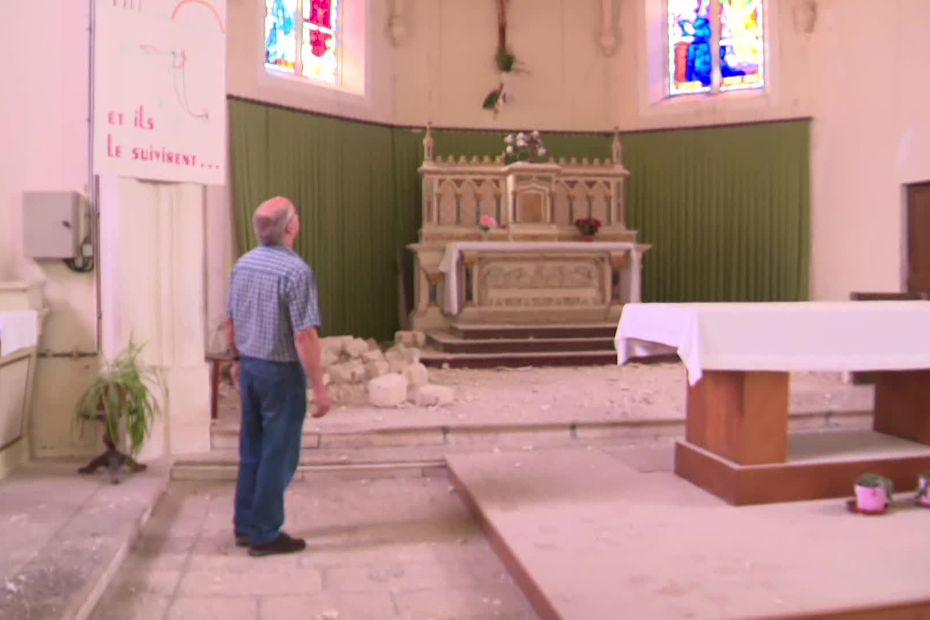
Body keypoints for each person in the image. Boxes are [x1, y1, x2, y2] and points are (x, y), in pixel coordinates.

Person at [226, 196, 333, 557]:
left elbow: (232, 320)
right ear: (291, 227)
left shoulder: (243, 264)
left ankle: (244, 523)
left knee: (252, 449)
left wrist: (236, 360)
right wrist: (319, 387)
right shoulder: (296, 272)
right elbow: (305, 335)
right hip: (280, 372)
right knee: (278, 453)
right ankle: (265, 533)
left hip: (252, 367)